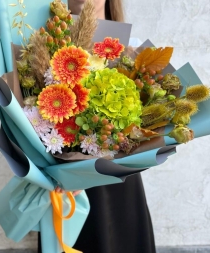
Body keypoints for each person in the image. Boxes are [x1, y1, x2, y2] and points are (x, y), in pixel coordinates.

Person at [67, 0, 157, 253]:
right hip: (69, 181)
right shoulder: (52, 48)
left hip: (120, 175)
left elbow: (149, 121)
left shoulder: (132, 50)